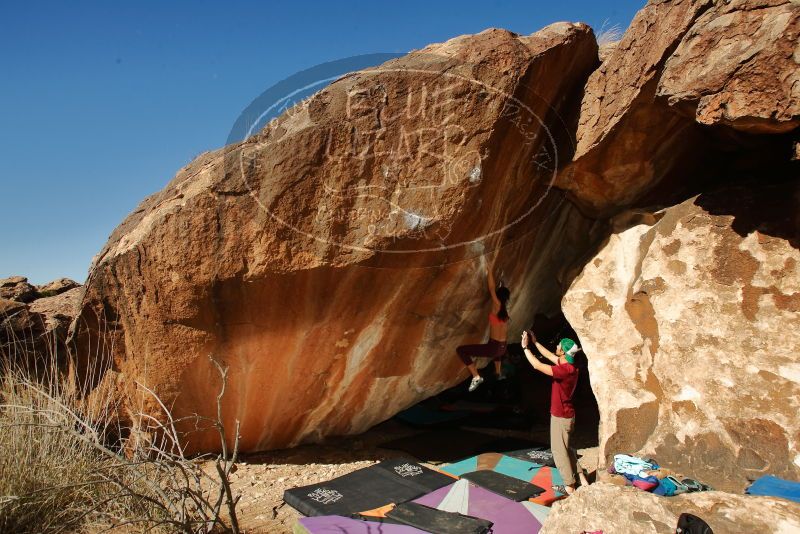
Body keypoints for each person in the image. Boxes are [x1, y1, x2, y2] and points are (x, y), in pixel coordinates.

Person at [521, 330, 581, 495]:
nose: (556, 346)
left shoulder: (565, 370)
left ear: (562, 351)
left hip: (561, 416)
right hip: (567, 414)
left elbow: (537, 365)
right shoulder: (570, 365)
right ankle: (581, 478)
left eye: (559, 345)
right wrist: (535, 342)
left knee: (558, 451)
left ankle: (569, 486)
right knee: (567, 448)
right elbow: (549, 356)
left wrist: (525, 348)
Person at [456, 259, 510, 392]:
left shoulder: (497, 305)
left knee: (461, 350)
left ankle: (476, 376)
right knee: (496, 353)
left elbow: (491, 288)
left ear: (499, 297)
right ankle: (498, 372)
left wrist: (489, 271)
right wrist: (502, 284)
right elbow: (500, 291)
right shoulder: (505, 311)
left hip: (495, 348)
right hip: (501, 348)